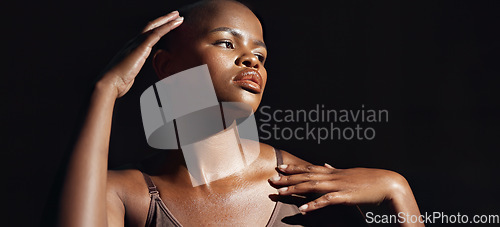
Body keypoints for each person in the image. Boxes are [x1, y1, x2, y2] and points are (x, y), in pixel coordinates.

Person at [58, 0, 423, 226]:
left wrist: (399, 193)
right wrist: (106, 90)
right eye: (226, 42)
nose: (250, 59)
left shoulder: (308, 191)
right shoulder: (124, 194)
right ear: (166, 66)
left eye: (260, 55)